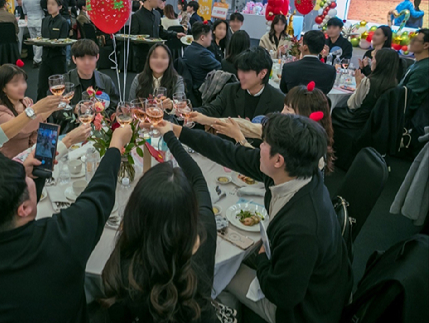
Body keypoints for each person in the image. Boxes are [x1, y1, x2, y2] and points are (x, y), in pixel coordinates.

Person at [166, 113, 353, 323]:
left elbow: (283, 295)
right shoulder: (296, 172)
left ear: (279, 160)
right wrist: (177, 131)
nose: (259, 147)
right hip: (297, 272)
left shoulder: (302, 228)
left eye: (264, 142)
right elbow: (229, 152)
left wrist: (263, 259)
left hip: (304, 311)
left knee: (217, 275)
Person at [0, 126, 133, 323]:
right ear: (24, 209)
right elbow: (98, 196)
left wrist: (27, 175)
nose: (26, 176)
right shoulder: (59, 243)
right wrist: (115, 145)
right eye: (23, 179)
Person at [101, 122, 219, 322]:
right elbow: (198, 179)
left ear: (135, 213)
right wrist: (170, 137)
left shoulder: (126, 263)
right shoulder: (205, 229)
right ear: (191, 210)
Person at [214, 84, 335, 174]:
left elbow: (267, 168)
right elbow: (252, 128)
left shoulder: (307, 149)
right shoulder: (299, 133)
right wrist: (206, 119)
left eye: (288, 109)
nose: (282, 113)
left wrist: (240, 138)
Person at [192, 47, 284, 131]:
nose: (240, 76)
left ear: (263, 73)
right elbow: (211, 109)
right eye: (239, 70)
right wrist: (189, 112)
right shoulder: (230, 90)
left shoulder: (278, 100)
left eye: (246, 71)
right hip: (228, 146)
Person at [52, 39, 119, 133]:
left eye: (91, 58)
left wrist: (99, 115)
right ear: (74, 59)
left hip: (100, 133)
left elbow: (114, 107)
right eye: (82, 59)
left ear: (97, 57)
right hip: (70, 132)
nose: (87, 63)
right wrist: (75, 109)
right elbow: (53, 110)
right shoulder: (63, 83)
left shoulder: (106, 81)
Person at [333, 48, 400, 129]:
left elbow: (352, 105)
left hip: (357, 121)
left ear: (380, 62)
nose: (371, 61)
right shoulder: (395, 84)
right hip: (377, 124)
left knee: (333, 110)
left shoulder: (369, 82)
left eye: (374, 58)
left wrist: (359, 84)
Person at [130, 0, 185, 72]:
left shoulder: (157, 14)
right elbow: (134, 37)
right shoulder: (137, 16)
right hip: (143, 56)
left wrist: (175, 34)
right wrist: (144, 39)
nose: (160, 1)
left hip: (156, 55)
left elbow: (160, 32)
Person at [128, 43, 185, 108]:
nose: (159, 61)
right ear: (148, 59)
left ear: (169, 61)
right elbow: (131, 105)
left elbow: (180, 106)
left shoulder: (177, 80)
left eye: (164, 57)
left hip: (166, 118)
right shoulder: (139, 79)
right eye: (155, 57)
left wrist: (171, 105)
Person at [280, 30, 336, 94]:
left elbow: (284, 90)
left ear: (305, 47)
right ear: (321, 48)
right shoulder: (330, 70)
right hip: (318, 103)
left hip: (294, 103)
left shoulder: (288, 67)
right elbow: (326, 91)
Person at [37, 0, 70, 100]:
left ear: (59, 7)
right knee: (41, 87)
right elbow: (43, 38)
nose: (50, 6)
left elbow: (62, 41)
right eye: (48, 4)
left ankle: (60, 113)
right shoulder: (45, 20)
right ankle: (40, 112)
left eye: (53, 4)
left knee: (59, 88)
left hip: (58, 58)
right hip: (46, 57)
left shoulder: (63, 22)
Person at [182, 22, 221, 89]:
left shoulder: (187, 49)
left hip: (193, 88)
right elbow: (220, 67)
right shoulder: (203, 54)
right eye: (210, 36)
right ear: (202, 37)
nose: (211, 39)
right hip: (204, 90)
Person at [400, 28, 429, 117]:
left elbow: (408, 99)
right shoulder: (418, 64)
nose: (411, 41)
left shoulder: (424, 68)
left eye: (415, 40)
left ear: (426, 45)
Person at [22, 0, 44, 68]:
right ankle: (37, 59)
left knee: (34, 41)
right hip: (39, 21)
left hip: (30, 21)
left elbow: (24, 11)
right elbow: (43, 8)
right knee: (40, 40)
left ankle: (36, 58)